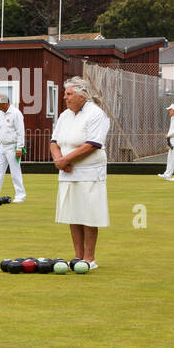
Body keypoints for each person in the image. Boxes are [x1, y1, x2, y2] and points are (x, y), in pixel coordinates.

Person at [50, 76, 110, 268]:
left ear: (82, 95)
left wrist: (67, 159)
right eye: (65, 94)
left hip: (90, 171)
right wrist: (60, 160)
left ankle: (89, 258)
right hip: (67, 172)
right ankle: (77, 257)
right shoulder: (64, 115)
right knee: (73, 213)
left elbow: (93, 144)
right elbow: (54, 141)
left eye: (69, 94)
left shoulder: (95, 114)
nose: (65, 98)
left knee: (89, 214)